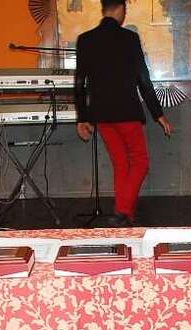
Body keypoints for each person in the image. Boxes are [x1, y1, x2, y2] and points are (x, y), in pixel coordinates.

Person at [74, 0, 172, 226]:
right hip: (127, 112)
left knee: (121, 164)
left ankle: (124, 214)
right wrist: (158, 114)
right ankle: (123, 212)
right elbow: (143, 79)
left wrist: (83, 117)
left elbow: (79, 83)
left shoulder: (85, 39)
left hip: (101, 114)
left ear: (104, 9)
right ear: (120, 9)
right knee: (140, 162)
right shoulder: (130, 39)